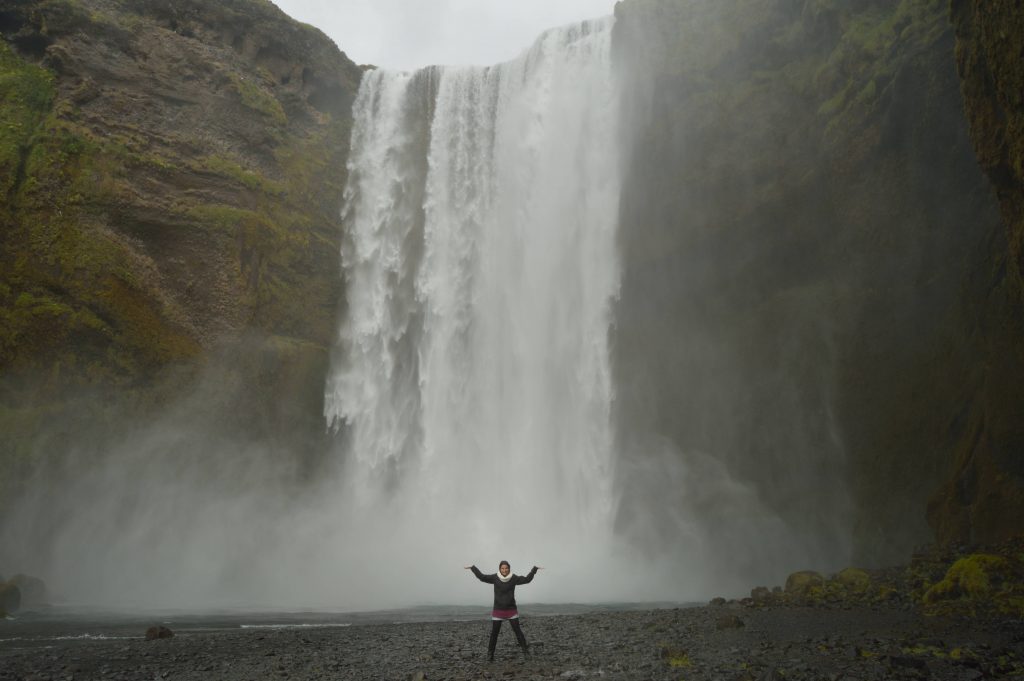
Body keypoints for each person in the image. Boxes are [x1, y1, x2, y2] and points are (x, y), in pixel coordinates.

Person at [464, 560, 541, 661]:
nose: (504, 570)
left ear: (509, 569)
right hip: (498, 610)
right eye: (502, 568)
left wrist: (534, 569)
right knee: (494, 634)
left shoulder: (513, 578)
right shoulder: (495, 577)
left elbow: (527, 580)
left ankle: (526, 653)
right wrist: (473, 568)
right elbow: (482, 577)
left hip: (511, 610)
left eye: (506, 568)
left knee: (518, 632)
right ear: (500, 569)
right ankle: (490, 655)